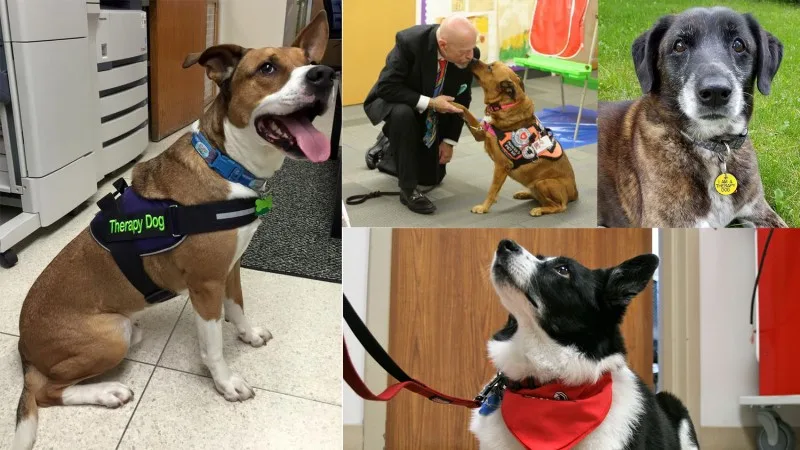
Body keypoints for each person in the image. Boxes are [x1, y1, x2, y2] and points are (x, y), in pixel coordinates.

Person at [363, 15, 479, 214]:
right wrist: (431, 102)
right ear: (443, 44)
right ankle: (407, 191)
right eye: (464, 51)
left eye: (472, 49)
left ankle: (388, 141)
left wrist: (449, 141)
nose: (471, 56)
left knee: (431, 178)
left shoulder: (466, 51)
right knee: (402, 115)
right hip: (398, 101)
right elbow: (387, 87)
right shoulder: (410, 42)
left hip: (433, 110)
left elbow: (462, 97)